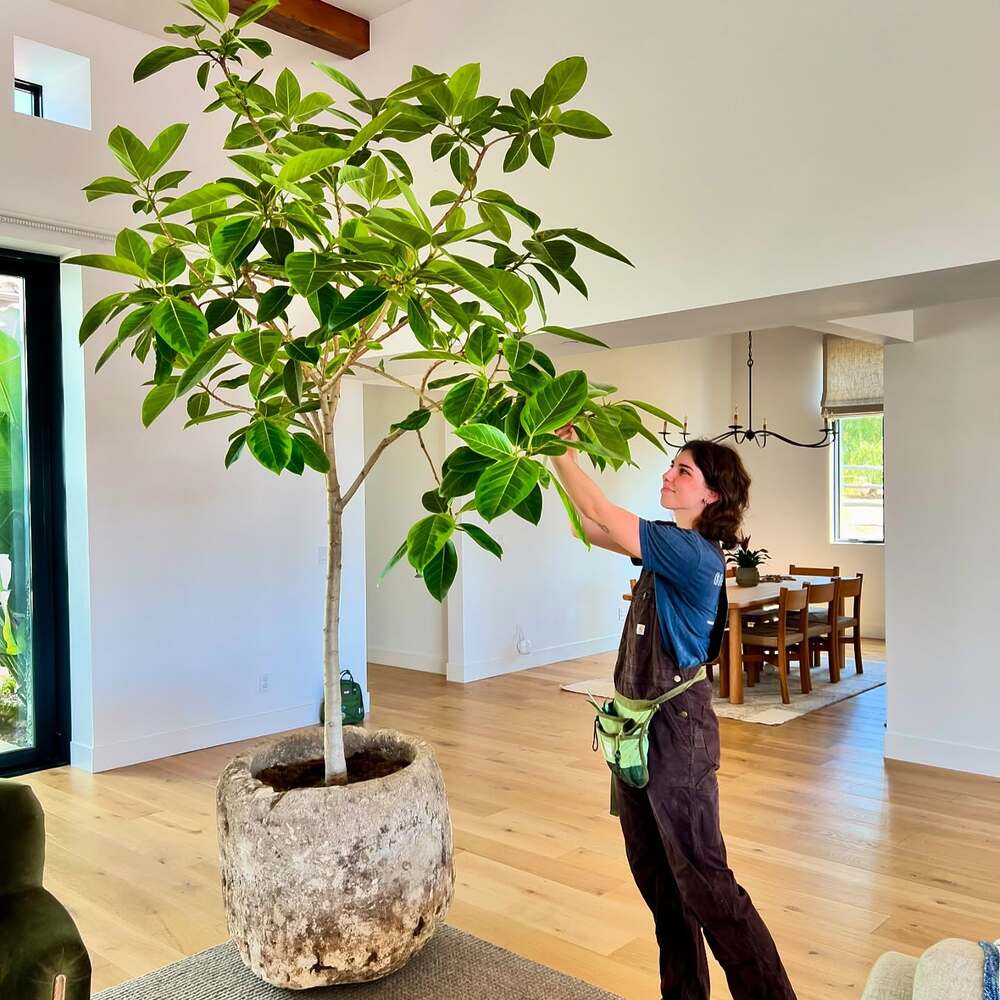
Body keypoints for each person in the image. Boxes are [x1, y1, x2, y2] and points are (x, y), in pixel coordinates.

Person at [551, 429, 797, 1000]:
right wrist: (551, 465)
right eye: (672, 467)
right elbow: (586, 525)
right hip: (634, 730)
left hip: (676, 733)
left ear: (711, 496)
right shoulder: (665, 542)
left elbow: (597, 510)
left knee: (705, 883)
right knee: (661, 883)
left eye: (682, 471)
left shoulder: (690, 553)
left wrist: (555, 449)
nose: (668, 475)